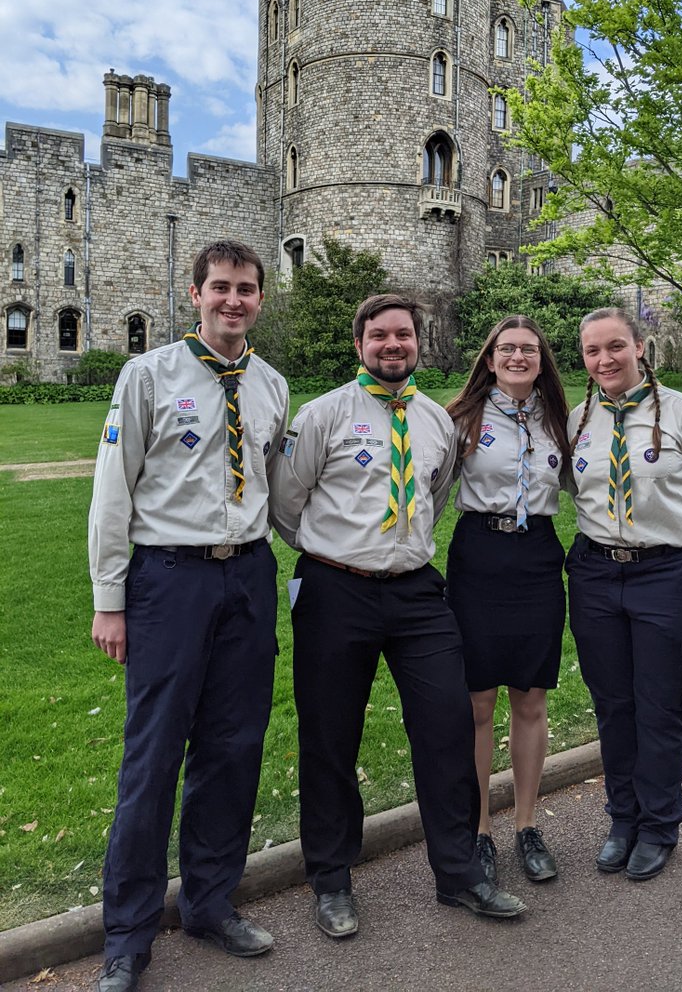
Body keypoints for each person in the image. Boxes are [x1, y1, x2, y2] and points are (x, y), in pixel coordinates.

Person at [269, 293, 526, 939]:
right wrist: (336, 555)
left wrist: (394, 553)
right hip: (335, 590)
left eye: (404, 336)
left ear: (419, 343)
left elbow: (434, 498)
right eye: (380, 336)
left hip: (415, 592)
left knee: (447, 727)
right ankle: (331, 879)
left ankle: (459, 874)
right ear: (359, 345)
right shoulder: (324, 414)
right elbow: (284, 503)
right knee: (330, 738)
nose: (393, 345)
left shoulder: (436, 421)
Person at [88, 240, 289, 992]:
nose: (233, 300)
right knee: (153, 755)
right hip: (169, 579)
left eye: (246, 290)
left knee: (233, 748)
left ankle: (210, 903)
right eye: (221, 288)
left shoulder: (271, 385)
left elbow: (275, 487)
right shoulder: (149, 376)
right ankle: (128, 934)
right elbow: (113, 490)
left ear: (260, 299)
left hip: (246, 576)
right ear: (196, 293)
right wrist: (111, 600)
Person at [565, 307, 682, 882]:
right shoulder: (577, 418)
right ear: (583, 359)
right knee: (613, 706)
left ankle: (659, 825)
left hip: (667, 575)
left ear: (640, 347)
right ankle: (623, 818)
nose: (605, 359)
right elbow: (574, 490)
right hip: (595, 574)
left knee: (660, 709)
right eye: (593, 351)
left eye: (616, 346)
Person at [445, 316, 570, 885]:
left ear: (541, 360)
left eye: (529, 349)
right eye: (507, 349)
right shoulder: (462, 419)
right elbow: (426, 488)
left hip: (538, 559)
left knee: (530, 698)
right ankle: (479, 830)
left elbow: (586, 485)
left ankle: (525, 824)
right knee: (477, 705)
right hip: (479, 555)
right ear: (490, 359)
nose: (518, 357)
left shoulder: (562, 423)